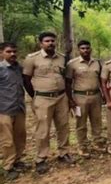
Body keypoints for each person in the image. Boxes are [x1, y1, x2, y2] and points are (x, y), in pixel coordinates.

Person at [23, 32, 74, 174]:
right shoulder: (31, 59)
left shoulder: (62, 58)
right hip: (43, 99)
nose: (50, 43)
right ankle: (41, 158)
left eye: (52, 40)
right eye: (47, 41)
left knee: (63, 126)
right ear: (41, 43)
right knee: (43, 129)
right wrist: (35, 96)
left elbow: (66, 78)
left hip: (61, 97)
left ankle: (64, 153)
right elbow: (26, 79)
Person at [65, 40, 105, 158]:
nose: (85, 50)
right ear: (79, 50)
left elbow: (101, 81)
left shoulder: (97, 63)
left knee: (97, 121)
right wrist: (70, 99)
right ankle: (82, 146)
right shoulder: (72, 64)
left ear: (90, 49)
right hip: (79, 97)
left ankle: (97, 142)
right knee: (81, 122)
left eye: (87, 48)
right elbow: (67, 83)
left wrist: (103, 94)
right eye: (82, 48)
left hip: (96, 96)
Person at [0, 42, 28, 180]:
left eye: (14, 51)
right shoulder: (0, 69)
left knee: (20, 136)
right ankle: (8, 166)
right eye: (9, 51)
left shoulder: (18, 68)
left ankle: (17, 160)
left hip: (19, 108)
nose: (12, 54)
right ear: (1, 53)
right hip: (4, 110)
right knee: (7, 140)